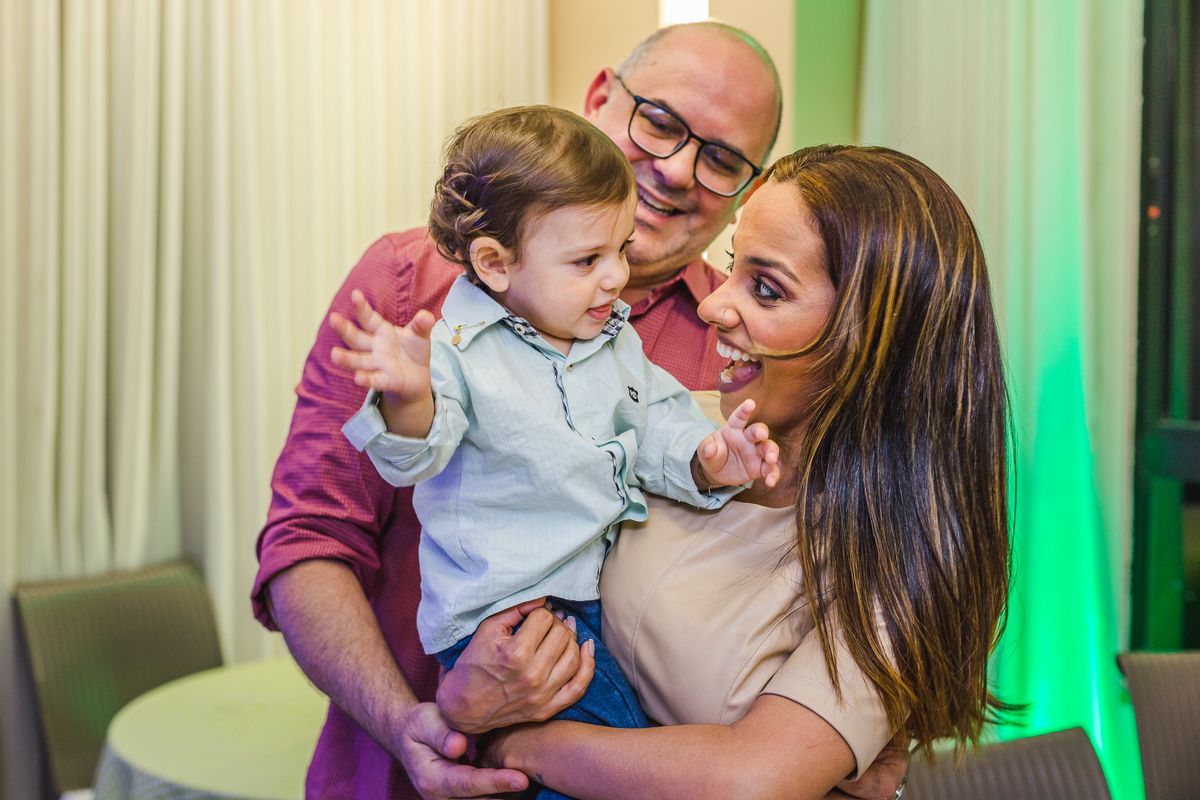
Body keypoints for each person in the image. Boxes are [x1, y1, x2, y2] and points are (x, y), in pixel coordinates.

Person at [253, 20, 845, 800]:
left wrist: (849, 746)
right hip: (388, 772)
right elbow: (309, 540)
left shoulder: (738, 346)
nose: (675, 170)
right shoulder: (415, 293)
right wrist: (410, 722)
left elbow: (790, 586)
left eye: (722, 157)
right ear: (601, 97)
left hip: (623, 745)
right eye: (661, 122)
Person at [432, 145, 1014, 800]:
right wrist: (465, 701)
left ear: (872, 340)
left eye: (766, 289)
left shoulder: (906, 551)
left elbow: (747, 779)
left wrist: (515, 742)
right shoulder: (687, 432)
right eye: (733, 270)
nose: (713, 307)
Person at [329, 105, 780, 742]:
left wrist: (707, 458)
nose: (617, 275)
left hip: (591, 598)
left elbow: (655, 420)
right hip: (508, 620)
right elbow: (416, 456)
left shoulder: (612, 338)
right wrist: (408, 398)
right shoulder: (458, 351)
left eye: (620, 249)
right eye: (587, 260)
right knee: (616, 750)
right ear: (495, 264)